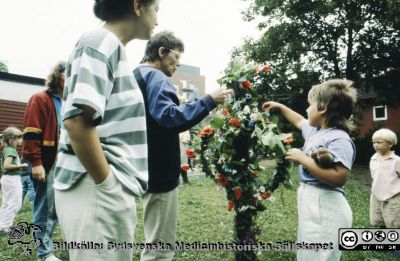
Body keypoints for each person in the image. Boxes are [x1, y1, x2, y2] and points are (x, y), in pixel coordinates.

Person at [53, 0, 159, 260]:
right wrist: (108, 185)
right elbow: (77, 122)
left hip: (100, 188)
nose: (157, 19)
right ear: (137, 5)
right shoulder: (100, 41)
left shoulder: (113, 49)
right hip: (95, 188)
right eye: (156, 9)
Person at [133, 31, 234, 260]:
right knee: (159, 246)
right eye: (177, 57)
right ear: (161, 51)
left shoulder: (136, 75)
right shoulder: (156, 77)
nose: (179, 63)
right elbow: (169, 117)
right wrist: (209, 100)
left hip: (142, 166)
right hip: (160, 172)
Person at [262, 79, 357, 261]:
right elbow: (298, 120)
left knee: (322, 253)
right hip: (309, 199)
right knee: (308, 248)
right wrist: (280, 107)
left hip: (327, 205)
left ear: (322, 108)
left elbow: (339, 178)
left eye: (310, 105)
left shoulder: (339, 139)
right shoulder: (316, 131)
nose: (307, 109)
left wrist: (304, 160)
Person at [23, 61, 65, 261]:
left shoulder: (69, 102)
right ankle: (44, 253)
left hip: (66, 165)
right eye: (69, 73)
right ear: (59, 75)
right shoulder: (41, 99)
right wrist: (36, 162)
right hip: (48, 164)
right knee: (45, 208)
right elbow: (31, 132)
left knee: (59, 207)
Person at [369, 128, 400, 229]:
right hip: (376, 196)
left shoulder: (396, 160)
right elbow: (374, 177)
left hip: (392, 198)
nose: (375, 145)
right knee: (378, 223)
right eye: (374, 142)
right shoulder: (373, 159)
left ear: (390, 144)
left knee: (394, 224)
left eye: (379, 142)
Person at [0, 127, 28, 235]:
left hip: (7, 179)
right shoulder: (10, 150)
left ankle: (2, 225)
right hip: (12, 179)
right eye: (19, 138)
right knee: (15, 204)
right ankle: (5, 227)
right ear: (11, 140)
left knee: (6, 203)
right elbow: (7, 165)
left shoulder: (7, 149)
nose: (21, 140)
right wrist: (21, 165)